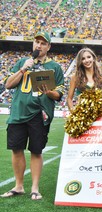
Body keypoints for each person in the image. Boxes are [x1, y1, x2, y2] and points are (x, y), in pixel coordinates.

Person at [1, 31, 65, 200]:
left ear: (49, 47)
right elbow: (8, 84)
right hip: (18, 112)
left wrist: (49, 91)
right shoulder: (23, 62)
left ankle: (35, 188)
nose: (39, 45)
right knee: (16, 150)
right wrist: (23, 69)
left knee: (36, 150)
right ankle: (19, 186)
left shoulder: (55, 67)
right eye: (37, 42)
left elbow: (59, 94)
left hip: (39, 113)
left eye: (43, 43)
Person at [67, 47, 102, 112]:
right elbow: (69, 99)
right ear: (80, 61)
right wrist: (74, 113)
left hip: (99, 115)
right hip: (82, 114)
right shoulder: (75, 77)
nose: (87, 60)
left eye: (89, 57)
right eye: (83, 59)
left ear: (93, 58)